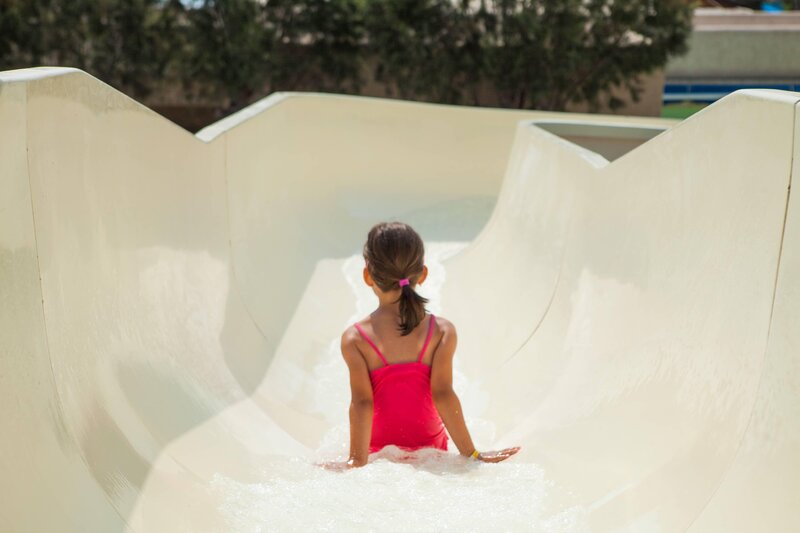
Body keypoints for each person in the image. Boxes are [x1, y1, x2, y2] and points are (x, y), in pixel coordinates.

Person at [329, 221, 520, 469]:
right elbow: (443, 394)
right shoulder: (442, 331)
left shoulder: (355, 339)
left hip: (379, 455)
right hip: (432, 452)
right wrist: (473, 454)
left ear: (368, 276)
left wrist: (356, 461)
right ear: (423, 274)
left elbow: (362, 403)